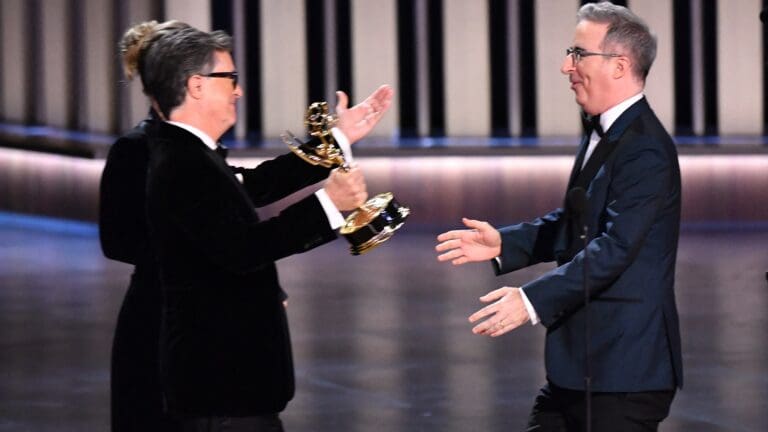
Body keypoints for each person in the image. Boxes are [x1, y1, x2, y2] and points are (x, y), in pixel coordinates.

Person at [110, 21, 392, 432]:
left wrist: (336, 140)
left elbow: (253, 186)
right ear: (197, 86)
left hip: (225, 379)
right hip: (218, 378)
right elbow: (242, 247)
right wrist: (329, 203)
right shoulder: (177, 160)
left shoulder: (191, 153)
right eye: (230, 78)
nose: (239, 90)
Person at [436, 2, 682, 431]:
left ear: (620, 66)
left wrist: (530, 300)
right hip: (582, 367)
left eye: (578, 53)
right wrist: (505, 243)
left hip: (622, 374)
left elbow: (614, 248)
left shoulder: (645, 148)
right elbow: (577, 221)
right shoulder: (604, 131)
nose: (566, 66)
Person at [99, 20, 189, 432]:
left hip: (199, 314)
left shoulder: (198, 146)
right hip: (156, 314)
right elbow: (116, 240)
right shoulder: (134, 149)